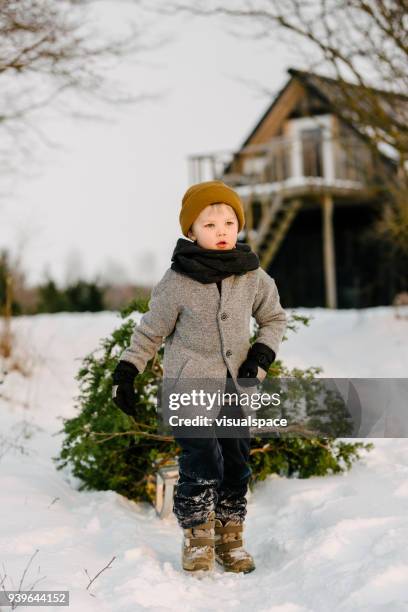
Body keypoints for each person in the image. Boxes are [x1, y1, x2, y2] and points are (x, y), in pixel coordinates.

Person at [112, 180, 287, 574]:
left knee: (236, 460)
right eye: (210, 225)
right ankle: (197, 537)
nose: (222, 230)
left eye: (229, 222)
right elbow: (151, 331)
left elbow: (274, 318)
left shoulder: (253, 275)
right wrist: (128, 370)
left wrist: (260, 356)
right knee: (201, 458)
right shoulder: (176, 281)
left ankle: (230, 536)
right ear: (191, 231)